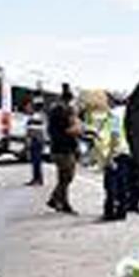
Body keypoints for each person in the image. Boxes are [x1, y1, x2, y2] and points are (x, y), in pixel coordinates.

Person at [46, 84, 81, 214]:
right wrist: (77, 126)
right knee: (68, 177)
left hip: (58, 148)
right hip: (64, 149)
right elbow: (71, 130)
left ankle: (60, 202)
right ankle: (56, 199)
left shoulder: (56, 110)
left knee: (63, 178)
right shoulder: (62, 112)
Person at [24, 97, 46, 185]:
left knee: (36, 160)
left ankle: (37, 179)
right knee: (36, 161)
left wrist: (29, 140)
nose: (27, 108)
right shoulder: (39, 115)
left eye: (29, 106)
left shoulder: (36, 117)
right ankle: (38, 178)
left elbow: (34, 130)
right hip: (37, 140)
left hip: (36, 141)